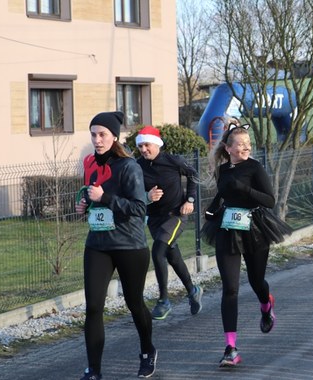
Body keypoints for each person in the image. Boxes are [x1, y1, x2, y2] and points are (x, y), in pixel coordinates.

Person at [201, 123, 292, 368]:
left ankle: (266, 304)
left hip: (255, 227)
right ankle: (230, 348)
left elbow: (270, 200)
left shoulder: (255, 167)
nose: (245, 147)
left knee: (255, 280)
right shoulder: (222, 170)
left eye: (248, 144)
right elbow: (223, 193)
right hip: (228, 228)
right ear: (228, 148)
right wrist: (212, 209)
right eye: (239, 144)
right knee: (230, 288)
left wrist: (244, 188)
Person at [75, 112, 157, 380]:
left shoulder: (128, 166)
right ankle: (94, 370)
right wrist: (85, 205)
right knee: (93, 307)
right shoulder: (89, 163)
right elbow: (92, 198)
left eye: (102, 135)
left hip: (129, 245)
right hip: (98, 243)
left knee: (134, 303)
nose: (97, 140)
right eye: (93, 134)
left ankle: (147, 351)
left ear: (114, 137)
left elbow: (137, 207)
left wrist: (105, 197)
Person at [135, 126, 203, 320]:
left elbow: (194, 175)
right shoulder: (137, 165)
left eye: (146, 145)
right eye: (140, 146)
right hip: (154, 219)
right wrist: (147, 196)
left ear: (156, 144)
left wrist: (189, 200)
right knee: (172, 256)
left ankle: (163, 301)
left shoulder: (173, 161)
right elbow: (131, 191)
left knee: (157, 251)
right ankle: (193, 290)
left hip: (175, 215)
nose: (143, 149)